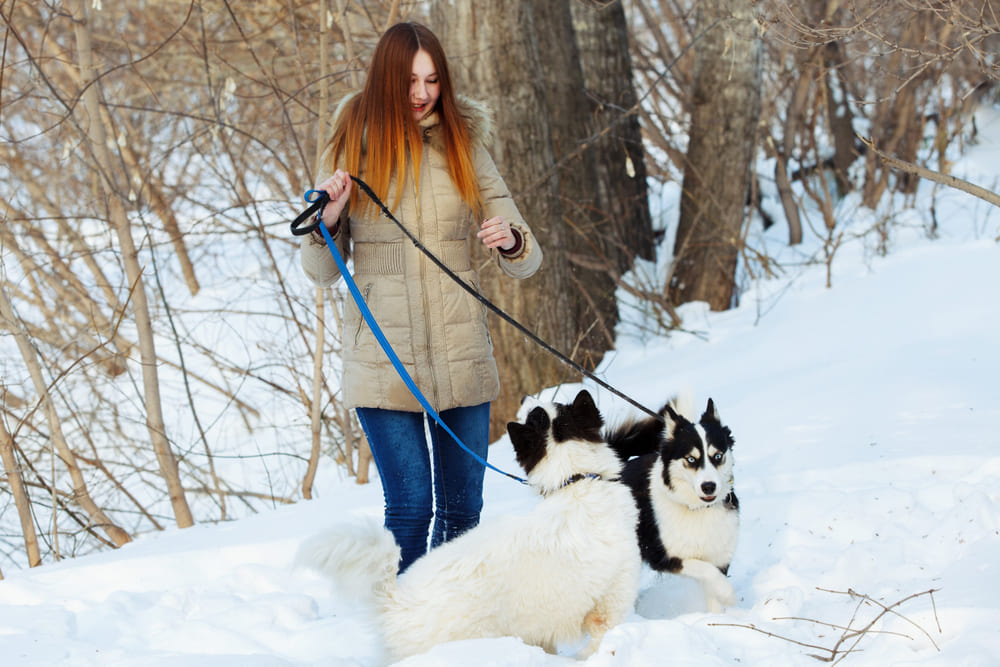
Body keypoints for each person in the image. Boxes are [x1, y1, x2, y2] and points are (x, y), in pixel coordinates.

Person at [300, 22, 542, 573]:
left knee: (463, 512)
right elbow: (319, 271)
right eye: (410, 80)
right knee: (410, 510)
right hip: (383, 359)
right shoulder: (350, 141)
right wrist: (329, 221)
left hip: (461, 353)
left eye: (432, 80)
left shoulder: (463, 139)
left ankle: (451, 631)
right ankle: (405, 638)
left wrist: (510, 238)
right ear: (387, 77)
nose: (422, 93)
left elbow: (528, 258)